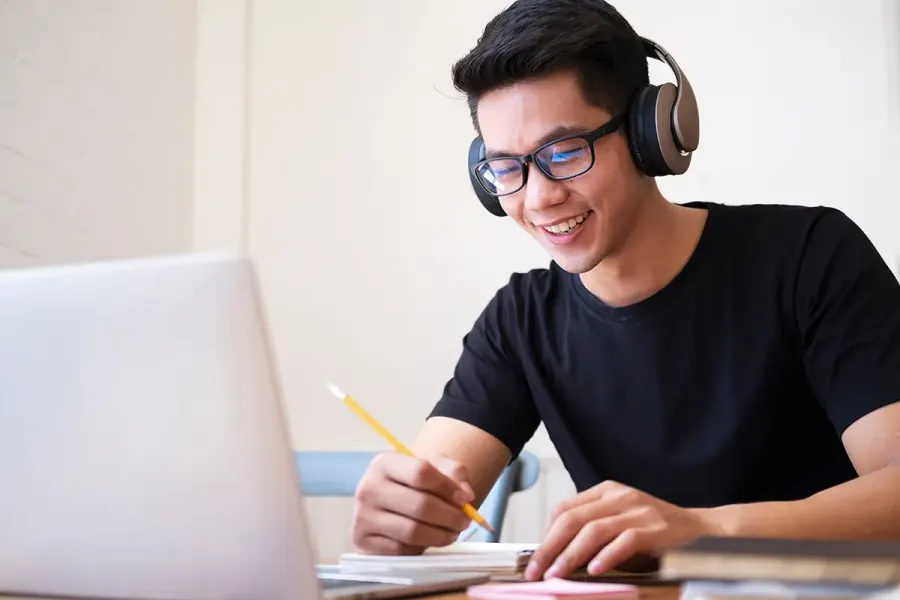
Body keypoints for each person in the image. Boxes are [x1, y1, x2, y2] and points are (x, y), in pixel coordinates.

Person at [349, 0, 900, 581]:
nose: (537, 199)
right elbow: (437, 480)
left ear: (650, 135)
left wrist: (705, 533)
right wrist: (397, 516)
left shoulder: (809, 255)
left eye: (564, 152)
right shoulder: (521, 319)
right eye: (506, 168)